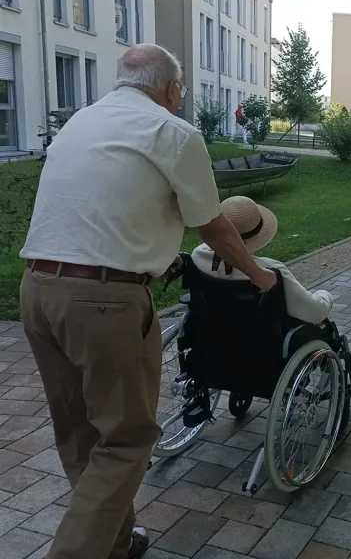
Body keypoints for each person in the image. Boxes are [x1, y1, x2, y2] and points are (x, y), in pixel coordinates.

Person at [19, 44, 276, 559]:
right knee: (127, 439)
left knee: (78, 432)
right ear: (172, 90)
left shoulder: (79, 123)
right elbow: (213, 224)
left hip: (38, 289)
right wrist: (259, 275)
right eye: (180, 90)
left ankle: (114, 542)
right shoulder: (173, 133)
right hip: (105, 301)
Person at [192, 196, 334, 324]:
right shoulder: (267, 270)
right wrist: (325, 295)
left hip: (213, 334)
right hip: (259, 340)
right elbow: (313, 312)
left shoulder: (198, 256)